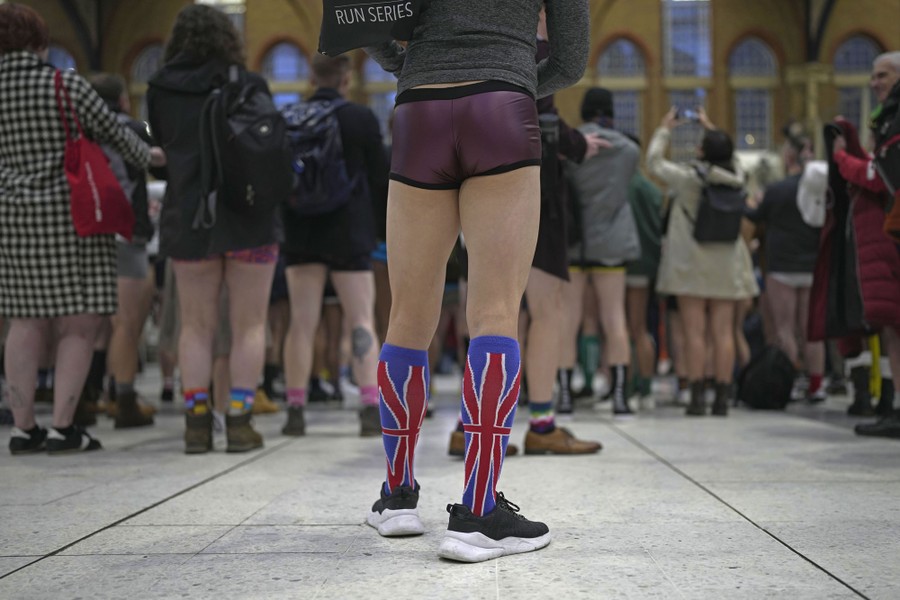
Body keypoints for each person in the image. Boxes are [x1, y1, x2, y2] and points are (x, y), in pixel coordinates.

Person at [364, 0, 589, 562]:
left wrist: (410, 65)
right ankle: (478, 511)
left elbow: (365, 18)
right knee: (495, 312)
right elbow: (571, 59)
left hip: (420, 108)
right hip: (503, 106)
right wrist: (512, 76)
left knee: (406, 315)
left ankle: (397, 497)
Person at [1, 3, 164, 455]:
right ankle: (63, 427)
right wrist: (151, 156)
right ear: (38, 42)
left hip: (11, 219)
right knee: (80, 321)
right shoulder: (64, 84)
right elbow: (116, 133)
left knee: (24, 320)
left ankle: (23, 429)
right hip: (74, 217)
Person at [446, 8, 602, 456]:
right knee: (546, 311)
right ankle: (542, 423)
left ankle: (468, 424)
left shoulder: (470, 36)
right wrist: (578, 144)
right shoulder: (532, 47)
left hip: (468, 182)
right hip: (532, 190)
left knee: (482, 311)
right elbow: (539, 110)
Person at [147, 4, 280, 454]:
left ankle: (197, 424)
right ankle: (239, 420)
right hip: (250, 216)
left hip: (189, 216)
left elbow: (162, 148)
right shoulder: (249, 84)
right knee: (250, 326)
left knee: (195, 326)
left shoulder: (159, 88)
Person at [280, 54, 389, 437]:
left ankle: (295, 409)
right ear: (346, 79)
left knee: (301, 321)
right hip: (349, 230)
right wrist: (379, 230)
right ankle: (370, 407)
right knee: (361, 319)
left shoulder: (288, 118)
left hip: (301, 230)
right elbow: (380, 177)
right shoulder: (360, 118)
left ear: (311, 78)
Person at [647, 107, 759, 417]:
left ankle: (696, 397)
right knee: (723, 333)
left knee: (693, 333)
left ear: (700, 151)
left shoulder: (688, 179)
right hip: (726, 263)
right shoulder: (738, 178)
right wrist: (711, 127)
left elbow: (654, 163)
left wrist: (664, 129)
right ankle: (722, 397)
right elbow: (732, 157)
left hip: (690, 264)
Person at [826, 51, 900, 439]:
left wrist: (842, 158)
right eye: (872, 75)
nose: (874, 82)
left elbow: (877, 175)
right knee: (890, 329)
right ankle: (893, 404)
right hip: (885, 240)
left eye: (882, 75)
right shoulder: (887, 117)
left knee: (892, 328)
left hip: (889, 243)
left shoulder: (895, 121)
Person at [562, 87, 641, 417]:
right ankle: (620, 395)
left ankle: (564, 394)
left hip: (574, 240)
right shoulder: (629, 150)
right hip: (611, 240)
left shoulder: (571, 144)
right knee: (614, 317)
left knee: (568, 319)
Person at [88, 72, 160, 429]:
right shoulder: (131, 130)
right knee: (126, 324)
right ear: (122, 100)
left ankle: (86, 397)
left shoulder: (80, 130)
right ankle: (124, 399)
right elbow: (157, 161)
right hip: (125, 231)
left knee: (91, 323)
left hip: (87, 231)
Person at [746, 131, 825, 402]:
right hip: (812, 265)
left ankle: (787, 382)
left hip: (781, 266)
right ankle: (816, 385)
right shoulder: (819, 191)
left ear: (789, 156)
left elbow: (755, 216)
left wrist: (750, 201)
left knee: (784, 329)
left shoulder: (777, 190)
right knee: (811, 330)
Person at [624, 135, 663, 410]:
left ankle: (628, 389)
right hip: (647, 264)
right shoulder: (651, 189)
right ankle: (646, 389)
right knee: (642, 329)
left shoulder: (621, 186)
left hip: (623, 263)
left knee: (627, 329)